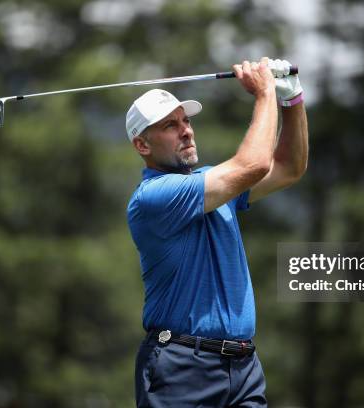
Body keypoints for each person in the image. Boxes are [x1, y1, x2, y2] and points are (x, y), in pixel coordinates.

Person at [126, 57, 308, 407]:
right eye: (169, 125)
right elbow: (254, 164)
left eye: (186, 120)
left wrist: (292, 99)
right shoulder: (153, 198)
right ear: (142, 145)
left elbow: (289, 167)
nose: (186, 130)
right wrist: (264, 93)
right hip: (181, 368)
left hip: (242, 367)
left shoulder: (212, 183)